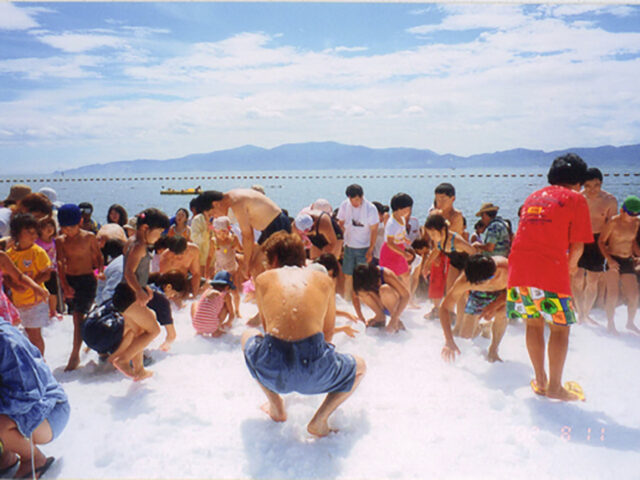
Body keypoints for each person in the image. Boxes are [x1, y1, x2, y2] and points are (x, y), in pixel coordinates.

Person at [242, 232, 366, 437]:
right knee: (360, 366)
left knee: (247, 335)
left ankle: (276, 406)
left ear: (274, 259)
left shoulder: (263, 279)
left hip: (273, 370)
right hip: (315, 372)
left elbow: (267, 329)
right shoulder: (324, 279)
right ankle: (320, 419)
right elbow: (327, 336)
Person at [507, 153, 592, 401]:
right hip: (550, 269)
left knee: (533, 323)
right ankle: (555, 386)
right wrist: (570, 272)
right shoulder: (576, 198)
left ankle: (541, 380)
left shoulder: (533, 196)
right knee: (560, 329)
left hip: (519, 269)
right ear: (579, 182)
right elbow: (577, 248)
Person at [0, 318, 70, 479]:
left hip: (49, 410)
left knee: (1, 423)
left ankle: (33, 459)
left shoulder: (6, 341)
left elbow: (27, 394)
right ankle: (7, 455)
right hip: (19, 407)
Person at [109, 208, 170, 380]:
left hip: (123, 294)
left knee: (140, 331)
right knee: (153, 330)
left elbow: (134, 271)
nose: (158, 237)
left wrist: (144, 286)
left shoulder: (131, 241)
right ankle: (123, 360)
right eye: (157, 232)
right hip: (128, 296)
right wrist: (138, 290)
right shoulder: (140, 246)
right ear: (145, 228)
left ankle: (139, 370)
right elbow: (128, 272)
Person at [55, 203, 103, 371]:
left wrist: (100, 272)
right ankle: (86, 341)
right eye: (65, 228)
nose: (68, 231)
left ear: (80, 222)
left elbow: (98, 256)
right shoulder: (60, 240)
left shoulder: (89, 237)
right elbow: (60, 263)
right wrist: (65, 285)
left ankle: (74, 355)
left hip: (87, 279)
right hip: (70, 280)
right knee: (79, 316)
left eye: (72, 227)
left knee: (77, 317)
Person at [203, 189, 290, 278]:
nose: (215, 217)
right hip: (270, 227)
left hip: (277, 225)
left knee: (263, 268)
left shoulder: (236, 202)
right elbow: (249, 235)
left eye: (212, 214)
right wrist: (247, 263)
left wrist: (246, 264)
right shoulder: (232, 197)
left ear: (215, 204)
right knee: (255, 267)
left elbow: (248, 235)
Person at [439, 254, 509, 363]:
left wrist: (493, 306)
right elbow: (445, 307)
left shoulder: (506, 269)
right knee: (465, 339)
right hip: (478, 295)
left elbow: (516, 293)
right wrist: (448, 340)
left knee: (502, 313)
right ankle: (482, 326)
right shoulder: (465, 280)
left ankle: (494, 349)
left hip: (503, 294)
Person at [571, 168, 618, 325]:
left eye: (596, 185)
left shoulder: (609, 200)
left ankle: (585, 313)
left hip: (598, 240)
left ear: (601, 184)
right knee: (576, 278)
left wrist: (610, 248)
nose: (592, 189)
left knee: (593, 280)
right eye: (588, 185)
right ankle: (580, 312)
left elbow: (612, 226)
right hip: (579, 239)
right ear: (583, 185)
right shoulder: (577, 198)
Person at [6, 213, 52, 356]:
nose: (33, 236)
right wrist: (14, 286)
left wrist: (32, 285)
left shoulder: (37, 252)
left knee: (34, 334)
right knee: (23, 335)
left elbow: (47, 273)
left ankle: (40, 361)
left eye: (35, 232)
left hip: (36, 301)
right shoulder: (9, 254)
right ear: (17, 233)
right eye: (29, 232)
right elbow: (6, 276)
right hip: (18, 302)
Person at [422, 213, 476, 321]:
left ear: (442, 230)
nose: (432, 237)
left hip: (467, 264)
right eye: (430, 234)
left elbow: (474, 252)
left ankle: (463, 320)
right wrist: (426, 266)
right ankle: (452, 315)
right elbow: (435, 251)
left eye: (433, 234)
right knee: (451, 291)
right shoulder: (439, 241)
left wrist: (473, 272)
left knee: (461, 294)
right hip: (455, 263)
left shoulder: (456, 241)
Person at [598, 195, 640, 334]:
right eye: (631, 214)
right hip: (613, 258)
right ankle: (610, 323)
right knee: (612, 294)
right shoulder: (613, 223)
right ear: (622, 211)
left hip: (627, 259)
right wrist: (609, 260)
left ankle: (630, 323)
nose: (634, 217)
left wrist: (638, 254)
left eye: (637, 214)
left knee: (634, 296)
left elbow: (632, 241)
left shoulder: (636, 223)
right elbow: (601, 242)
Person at [425, 183, 464, 319]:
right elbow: (432, 236)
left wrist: (428, 261)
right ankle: (436, 309)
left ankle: (450, 311)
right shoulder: (435, 215)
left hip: (453, 254)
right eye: (437, 199)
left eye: (443, 199)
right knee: (435, 280)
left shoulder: (456, 216)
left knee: (452, 284)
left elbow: (448, 240)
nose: (439, 202)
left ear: (452, 198)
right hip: (437, 251)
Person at [336, 184, 380, 302]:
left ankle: (365, 302)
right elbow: (340, 221)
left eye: (356, 199)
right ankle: (348, 300)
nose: (354, 202)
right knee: (348, 275)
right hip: (349, 245)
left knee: (363, 277)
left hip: (364, 246)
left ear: (361, 197)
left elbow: (374, 229)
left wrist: (371, 249)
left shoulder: (370, 208)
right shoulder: (345, 205)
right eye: (352, 200)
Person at [352, 262, 410, 332]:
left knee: (384, 289)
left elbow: (406, 295)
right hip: (380, 304)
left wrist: (395, 318)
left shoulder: (386, 274)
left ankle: (396, 321)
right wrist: (361, 317)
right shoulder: (361, 279)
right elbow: (355, 295)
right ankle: (380, 317)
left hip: (394, 305)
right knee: (361, 292)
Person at [379, 193, 414, 289]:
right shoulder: (392, 223)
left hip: (399, 248)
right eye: (406, 209)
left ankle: (408, 298)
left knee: (405, 274)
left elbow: (400, 233)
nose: (408, 211)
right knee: (390, 276)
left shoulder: (402, 219)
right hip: (390, 251)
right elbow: (390, 243)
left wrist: (404, 239)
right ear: (399, 208)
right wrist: (404, 254)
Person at [211, 216, 242, 316]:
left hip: (232, 269)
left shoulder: (233, 239)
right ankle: (219, 311)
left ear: (228, 230)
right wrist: (207, 272)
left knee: (235, 292)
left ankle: (237, 310)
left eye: (224, 232)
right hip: (220, 272)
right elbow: (209, 257)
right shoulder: (214, 241)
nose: (221, 235)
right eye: (218, 233)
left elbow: (240, 249)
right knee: (219, 294)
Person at [191, 270, 235, 336]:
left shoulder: (207, 290)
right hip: (212, 327)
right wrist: (228, 323)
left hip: (196, 325)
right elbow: (232, 313)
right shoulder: (226, 295)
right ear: (227, 287)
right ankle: (216, 330)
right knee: (226, 307)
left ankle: (200, 330)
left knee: (195, 304)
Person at [36, 216, 62, 320]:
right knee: (40, 291)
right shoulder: (37, 242)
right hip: (40, 271)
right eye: (45, 226)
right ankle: (41, 311)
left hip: (52, 270)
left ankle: (53, 311)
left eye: (51, 225)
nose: (49, 228)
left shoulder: (54, 241)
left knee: (53, 292)